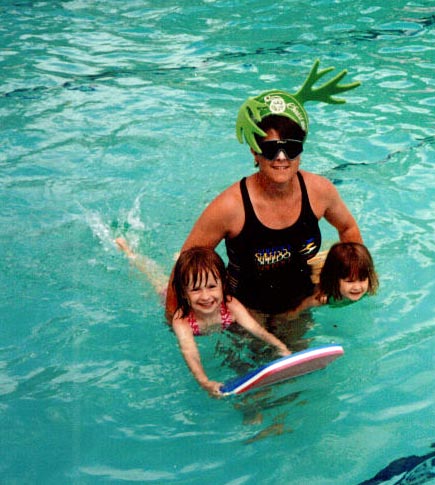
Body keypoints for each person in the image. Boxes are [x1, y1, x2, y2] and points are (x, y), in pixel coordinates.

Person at [165, 60, 363, 320]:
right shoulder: (230, 207)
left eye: (290, 148)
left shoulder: (319, 191)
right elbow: (183, 268)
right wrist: (174, 321)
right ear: (254, 152)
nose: (281, 158)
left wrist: (352, 275)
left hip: (300, 300)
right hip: (244, 311)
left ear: (301, 152)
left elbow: (348, 228)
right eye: (271, 149)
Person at [116, 238, 290, 397]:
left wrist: (280, 347)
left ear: (223, 284)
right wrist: (204, 381)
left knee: (190, 274)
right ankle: (130, 253)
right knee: (154, 278)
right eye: (195, 289)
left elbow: (256, 330)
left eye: (212, 286)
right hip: (168, 297)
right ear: (184, 293)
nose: (206, 297)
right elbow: (190, 352)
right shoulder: (182, 320)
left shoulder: (230, 305)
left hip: (200, 290)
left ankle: (181, 263)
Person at [286, 242, 379, 317]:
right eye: (349, 281)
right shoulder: (320, 298)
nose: (357, 287)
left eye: (362, 279)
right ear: (334, 280)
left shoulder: (370, 285)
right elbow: (294, 312)